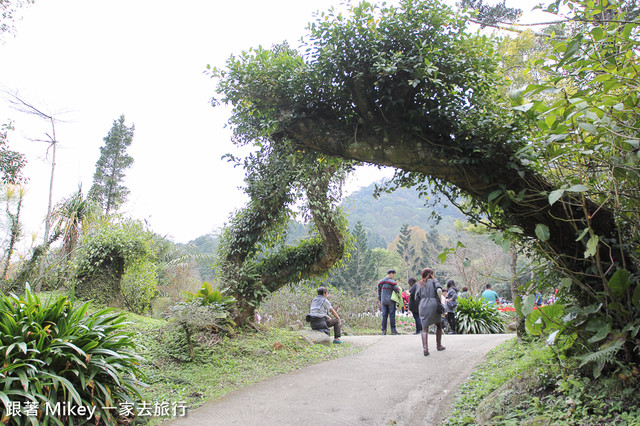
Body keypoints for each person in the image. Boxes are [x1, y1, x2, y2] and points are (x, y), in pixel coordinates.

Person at [416, 268, 446, 355]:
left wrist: (422, 301)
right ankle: (439, 345)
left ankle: (425, 349)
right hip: (433, 304)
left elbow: (416, 297)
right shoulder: (434, 281)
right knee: (439, 325)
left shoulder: (420, 284)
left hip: (423, 305)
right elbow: (439, 290)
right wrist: (439, 299)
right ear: (431, 274)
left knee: (424, 328)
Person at [378, 269, 401, 335]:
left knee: (384, 316)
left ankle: (383, 330)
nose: (393, 276)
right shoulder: (392, 282)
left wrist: (380, 300)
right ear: (391, 274)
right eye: (393, 274)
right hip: (391, 301)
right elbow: (397, 290)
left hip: (383, 301)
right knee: (392, 316)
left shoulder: (380, 282)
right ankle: (393, 331)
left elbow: (379, 292)